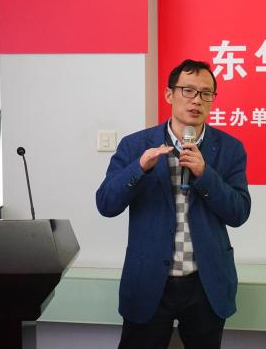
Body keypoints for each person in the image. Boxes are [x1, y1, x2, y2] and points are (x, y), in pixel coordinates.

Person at [96, 59, 251, 349]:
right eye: (188, 90)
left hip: (205, 283)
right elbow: (106, 204)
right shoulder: (135, 145)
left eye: (206, 93)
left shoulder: (229, 149)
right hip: (149, 280)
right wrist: (139, 168)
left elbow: (239, 212)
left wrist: (206, 175)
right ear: (169, 95)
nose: (197, 100)